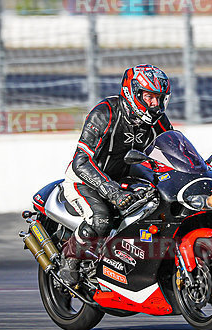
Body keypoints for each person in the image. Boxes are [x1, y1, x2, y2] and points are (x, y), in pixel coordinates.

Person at [59, 64, 173, 285]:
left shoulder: (156, 118)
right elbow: (80, 161)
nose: (155, 104)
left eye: (159, 98)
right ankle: (70, 259)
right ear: (132, 92)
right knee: (101, 218)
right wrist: (110, 190)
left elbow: (174, 147)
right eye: (149, 96)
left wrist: (198, 168)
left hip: (123, 176)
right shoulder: (104, 113)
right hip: (85, 179)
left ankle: (133, 262)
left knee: (155, 204)